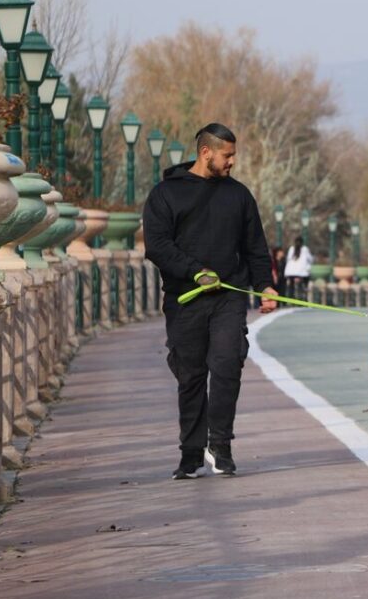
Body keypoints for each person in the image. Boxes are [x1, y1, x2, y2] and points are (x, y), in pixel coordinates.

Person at [143, 122, 278, 479]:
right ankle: (190, 452)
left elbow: (255, 248)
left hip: (228, 298)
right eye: (227, 155)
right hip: (184, 299)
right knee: (190, 375)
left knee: (227, 364)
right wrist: (195, 271)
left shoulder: (239, 196)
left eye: (233, 155)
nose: (232, 161)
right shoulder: (165, 195)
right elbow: (157, 246)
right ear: (207, 153)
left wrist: (265, 286)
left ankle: (220, 445)